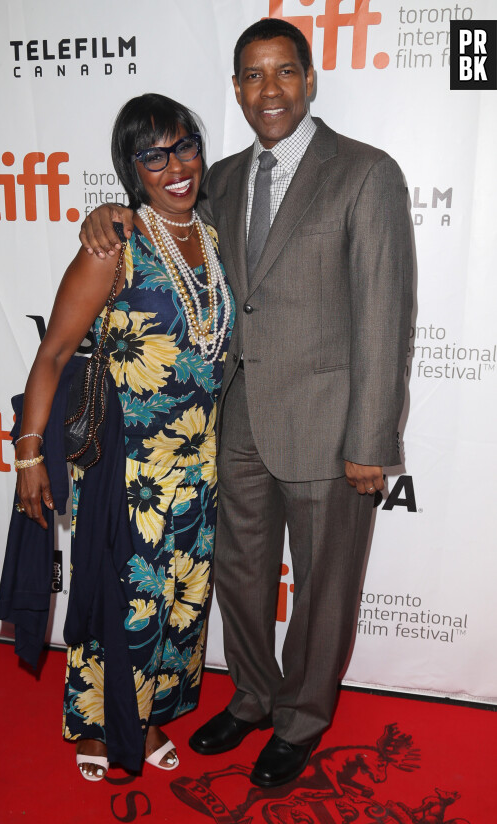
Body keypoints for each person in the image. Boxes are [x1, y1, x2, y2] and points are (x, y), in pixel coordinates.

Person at [79, 19, 413, 788]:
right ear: (236, 88)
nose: (270, 90)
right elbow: (163, 229)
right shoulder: (219, 176)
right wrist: (108, 215)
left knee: (325, 588)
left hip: (331, 432)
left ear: (309, 79)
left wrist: (372, 439)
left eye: (284, 72)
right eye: (253, 76)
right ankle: (255, 696)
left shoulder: (366, 173)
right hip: (232, 427)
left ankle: (300, 721)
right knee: (238, 577)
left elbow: (385, 312)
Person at [13, 93, 234, 780]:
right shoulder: (115, 246)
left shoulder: (217, 236)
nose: (175, 166)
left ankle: (151, 712)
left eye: (185, 146)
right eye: (153, 154)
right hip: (130, 471)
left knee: (183, 606)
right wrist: (27, 456)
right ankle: (99, 724)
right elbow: (51, 354)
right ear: (131, 168)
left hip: (201, 468)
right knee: (122, 598)